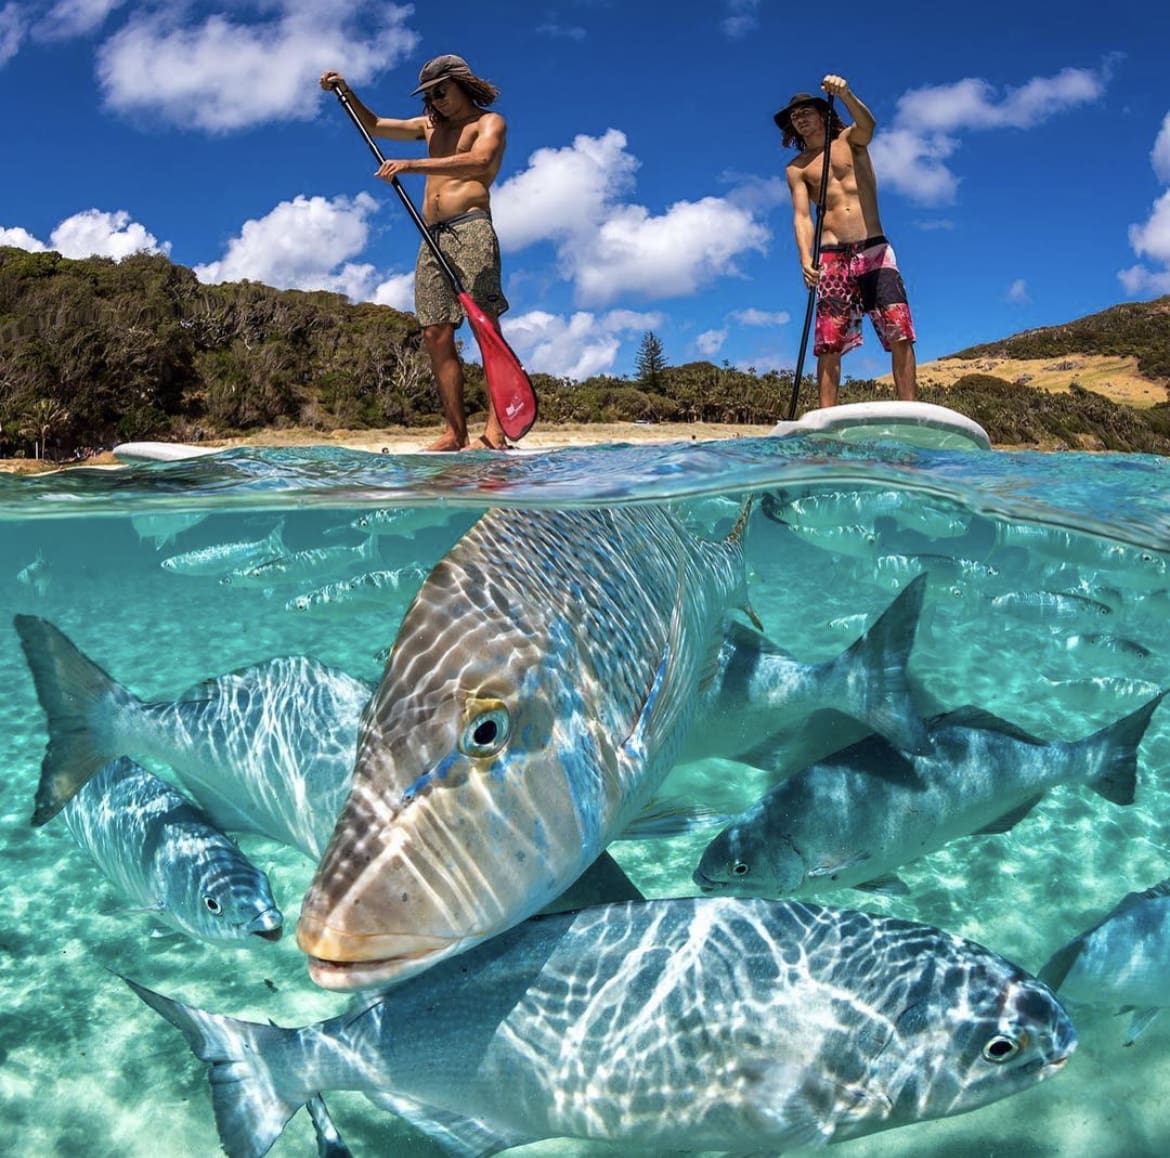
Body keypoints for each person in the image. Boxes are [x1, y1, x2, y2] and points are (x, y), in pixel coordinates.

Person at [320, 55, 511, 451]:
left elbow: (481, 161)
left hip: (471, 228)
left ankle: (496, 432)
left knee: (485, 329)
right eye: (429, 95)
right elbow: (374, 125)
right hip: (431, 235)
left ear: (460, 83)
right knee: (435, 332)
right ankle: (454, 433)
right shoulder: (428, 126)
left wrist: (411, 164)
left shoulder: (488, 123)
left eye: (441, 91)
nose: (436, 100)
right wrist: (346, 91)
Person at [775, 75, 917, 408]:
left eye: (806, 111)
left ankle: (910, 411)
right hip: (830, 254)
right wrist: (804, 259)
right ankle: (827, 417)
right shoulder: (796, 168)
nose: (800, 118)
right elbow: (802, 217)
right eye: (795, 116)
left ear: (822, 113)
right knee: (828, 340)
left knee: (899, 329)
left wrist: (846, 93)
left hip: (873, 247)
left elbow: (869, 124)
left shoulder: (850, 140)